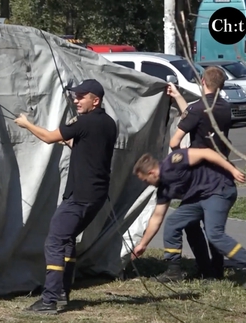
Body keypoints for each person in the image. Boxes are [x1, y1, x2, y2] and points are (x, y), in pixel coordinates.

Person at [14, 79, 117, 314]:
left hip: (80, 195)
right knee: (67, 239)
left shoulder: (85, 122)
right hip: (97, 195)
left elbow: (50, 137)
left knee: (55, 241)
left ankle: (49, 299)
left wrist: (26, 124)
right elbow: (87, 146)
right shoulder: (108, 123)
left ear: (96, 100)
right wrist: (71, 142)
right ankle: (61, 292)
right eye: (75, 96)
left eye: (82, 97)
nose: (76, 100)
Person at [160, 66, 233, 281]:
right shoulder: (225, 107)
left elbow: (175, 141)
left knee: (191, 224)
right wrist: (180, 98)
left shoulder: (197, 109)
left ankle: (195, 268)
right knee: (208, 228)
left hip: (201, 177)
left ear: (202, 81)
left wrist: (181, 160)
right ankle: (213, 270)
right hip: (221, 174)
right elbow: (196, 116)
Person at [130, 149, 246, 278]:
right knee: (174, 222)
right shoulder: (164, 189)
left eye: (146, 180)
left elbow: (206, 153)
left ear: (151, 173)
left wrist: (233, 170)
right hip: (198, 198)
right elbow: (157, 217)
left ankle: (235, 262)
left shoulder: (174, 161)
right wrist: (143, 244)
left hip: (217, 190)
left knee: (214, 234)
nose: (147, 184)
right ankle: (178, 270)